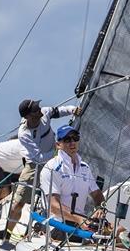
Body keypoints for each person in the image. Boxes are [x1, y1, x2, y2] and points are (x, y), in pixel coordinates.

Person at [7, 99, 81, 234]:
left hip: (55, 161)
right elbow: (38, 157)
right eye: (35, 109)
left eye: (38, 106)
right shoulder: (24, 133)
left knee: (65, 195)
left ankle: (66, 230)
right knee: (18, 203)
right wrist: (56, 151)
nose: (39, 109)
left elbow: (58, 111)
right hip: (35, 166)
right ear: (28, 116)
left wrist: (72, 109)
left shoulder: (44, 112)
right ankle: (6, 233)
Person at [39, 126, 105, 237]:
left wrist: (100, 208)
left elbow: (97, 195)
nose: (72, 142)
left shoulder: (85, 168)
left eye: (75, 138)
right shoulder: (52, 168)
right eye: (67, 139)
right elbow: (53, 206)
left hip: (81, 225)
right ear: (58, 145)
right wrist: (79, 218)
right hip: (56, 225)